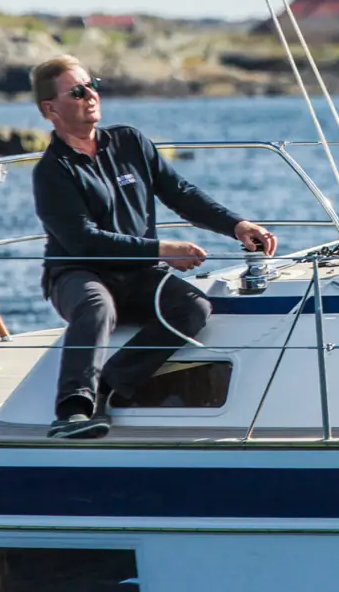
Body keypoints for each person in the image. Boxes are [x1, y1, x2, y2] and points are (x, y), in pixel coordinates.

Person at [31, 55, 278, 439]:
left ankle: (109, 384)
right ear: (50, 109)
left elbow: (180, 193)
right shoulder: (51, 171)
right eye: (77, 92)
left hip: (138, 273)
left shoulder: (129, 142)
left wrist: (236, 225)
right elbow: (84, 241)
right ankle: (73, 410)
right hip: (78, 273)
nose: (91, 95)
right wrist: (161, 250)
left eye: (92, 85)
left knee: (193, 307)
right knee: (96, 306)